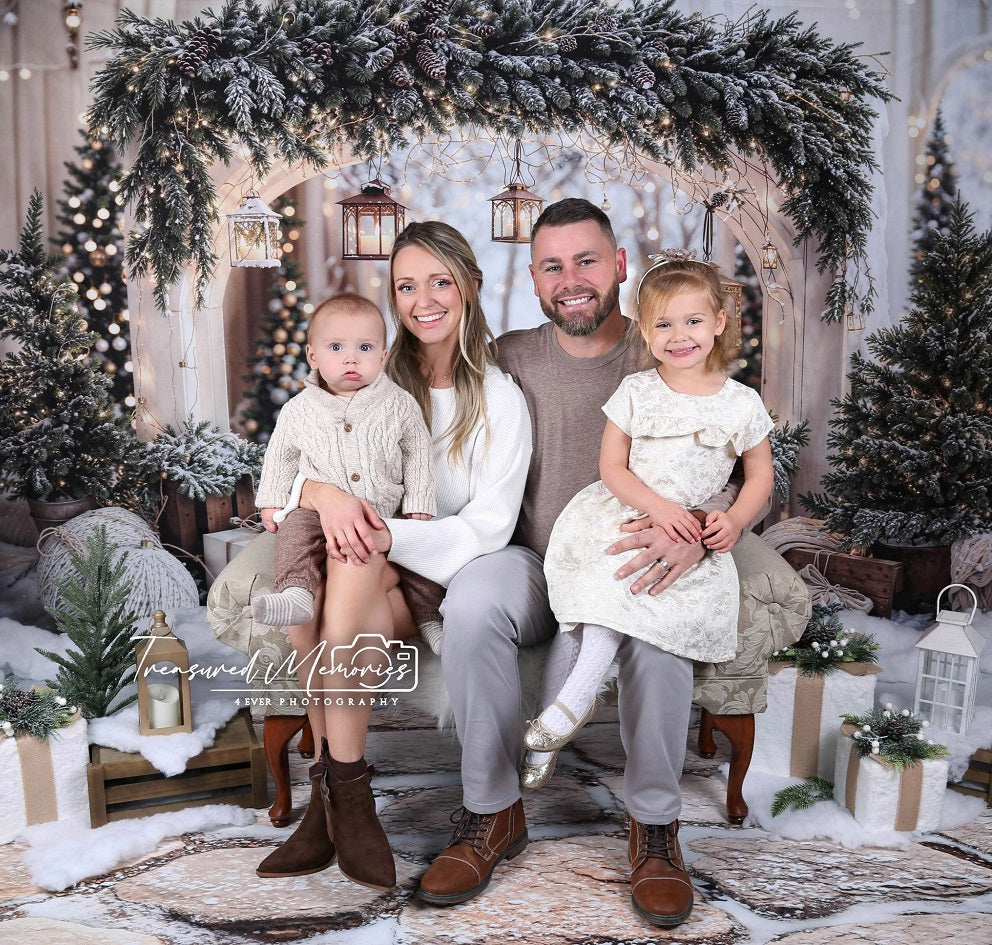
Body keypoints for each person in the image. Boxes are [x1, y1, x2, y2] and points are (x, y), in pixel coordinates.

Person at [416, 198, 742, 928]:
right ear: (533, 279)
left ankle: (654, 828)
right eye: (553, 266)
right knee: (470, 604)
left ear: (620, 266)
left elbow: (741, 454)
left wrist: (692, 528)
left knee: (660, 631)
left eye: (587, 261)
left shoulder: (670, 348)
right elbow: (435, 427)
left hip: (636, 552)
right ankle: (491, 812)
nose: (572, 279)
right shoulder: (509, 357)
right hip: (533, 559)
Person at [256, 222, 532, 895]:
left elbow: (489, 527)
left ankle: (339, 795)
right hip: (365, 561)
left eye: (440, 280)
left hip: (437, 569)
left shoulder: (497, 397)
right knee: (330, 577)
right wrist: (323, 494)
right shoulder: (370, 371)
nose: (424, 299)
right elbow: (293, 463)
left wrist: (380, 533)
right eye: (407, 285)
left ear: (470, 285)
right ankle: (339, 803)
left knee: (350, 556)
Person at [522, 258, 774, 779]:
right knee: (591, 607)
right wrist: (658, 507)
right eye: (663, 324)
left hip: (691, 538)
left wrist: (734, 520)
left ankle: (568, 709)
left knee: (628, 604)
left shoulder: (741, 404)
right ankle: (552, 728)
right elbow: (611, 466)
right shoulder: (637, 391)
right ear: (644, 330)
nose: (678, 336)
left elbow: (760, 479)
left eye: (693, 321)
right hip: (625, 516)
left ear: (720, 323)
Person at [252, 292, 436, 631]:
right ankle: (295, 591)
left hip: (383, 509)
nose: (351, 359)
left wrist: (419, 503)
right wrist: (271, 501)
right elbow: (280, 456)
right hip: (316, 514)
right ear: (313, 356)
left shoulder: (399, 404)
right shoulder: (298, 409)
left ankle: (429, 619)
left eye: (364, 348)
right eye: (336, 348)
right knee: (293, 535)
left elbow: (418, 454)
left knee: (415, 555)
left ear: (382, 357)